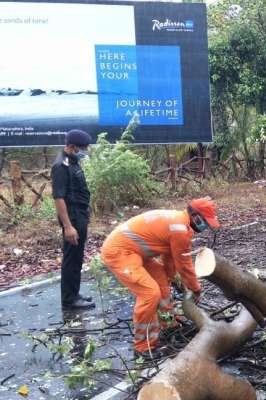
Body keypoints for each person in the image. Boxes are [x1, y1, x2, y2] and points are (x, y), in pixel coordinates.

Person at [100, 198, 219, 358]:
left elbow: (170, 258)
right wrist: (195, 288)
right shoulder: (179, 229)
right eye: (205, 221)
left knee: (162, 283)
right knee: (150, 293)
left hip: (137, 252)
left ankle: (168, 324)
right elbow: (184, 265)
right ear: (196, 216)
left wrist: (170, 279)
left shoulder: (180, 224)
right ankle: (142, 346)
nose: (206, 226)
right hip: (120, 252)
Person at [51, 129, 95, 310]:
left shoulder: (72, 161)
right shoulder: (60, 166)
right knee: (71, 259)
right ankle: (69, 300)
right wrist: (68, 226)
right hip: (73, 217)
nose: (85, 150)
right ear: (72, 146)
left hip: (80, 215)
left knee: (77, 258)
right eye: (82, 148)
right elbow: (59, 197)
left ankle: (74, 293)